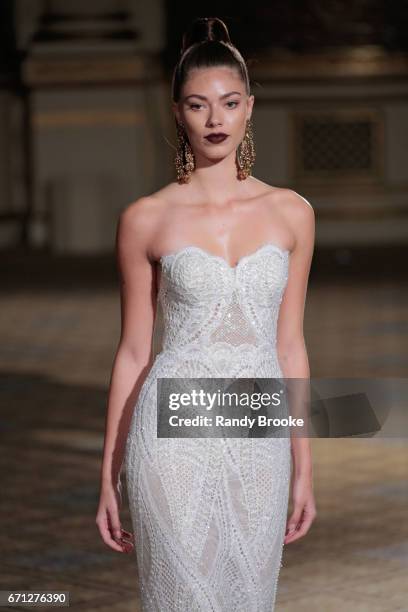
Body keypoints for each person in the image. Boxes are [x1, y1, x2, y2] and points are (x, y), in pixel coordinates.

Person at [96, 16, 316, 611]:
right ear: (177, 112)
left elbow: (289, 347)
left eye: (229, 103)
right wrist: (109, 473)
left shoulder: (292, 212)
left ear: (249, 107)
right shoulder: (145, 218)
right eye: (198, 105)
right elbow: (134, 352)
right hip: (171, 434)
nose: (215, 120)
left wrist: (304, 464)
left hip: (257, 427)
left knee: (248, 596)